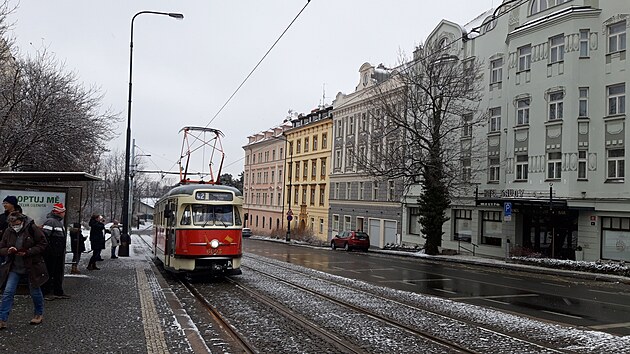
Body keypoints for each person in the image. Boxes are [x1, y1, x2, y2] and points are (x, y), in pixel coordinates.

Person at [0, 211, 49, 329]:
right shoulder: (8, 231)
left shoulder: (32, 228)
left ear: (22, 222)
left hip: (31, 266)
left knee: (35, 291)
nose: (15, 227)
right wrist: (8, 250)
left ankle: (38, 314)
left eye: (16, 224)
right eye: (12, 225)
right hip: (14, 266)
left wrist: (28, 251)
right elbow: (1, 247)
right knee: (8, 292)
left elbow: (43, 244)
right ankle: (2, 319)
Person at [42, 203, 70, 300]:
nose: (64, 214)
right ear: (59, 212)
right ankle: (47, 292)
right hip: (52, 253)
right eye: (63, 212)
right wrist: (50, 250)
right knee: (50, 271)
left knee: (57, 272)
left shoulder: (57, 222)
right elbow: (45, 237)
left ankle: (57, 291)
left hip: (57, 252)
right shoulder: (51, 222)